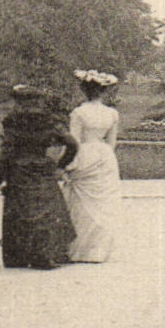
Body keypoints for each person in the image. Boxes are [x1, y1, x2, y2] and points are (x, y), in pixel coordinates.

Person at [0, 85, 79, 270]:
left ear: (18, 102)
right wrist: (60, 166)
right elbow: (72, 144)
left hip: (19, 171)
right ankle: (43, 255)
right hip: (42, 170)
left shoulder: (12, 122)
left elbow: (6, 152)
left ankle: (17, 257)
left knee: (19, 211)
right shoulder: (48, 121)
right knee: (46, 212)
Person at [62, 69, 123, 262]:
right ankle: (98, 251)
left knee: (82, 203)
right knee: (102, 204)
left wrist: (68, 165)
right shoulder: (112, 113)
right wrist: (105, 157)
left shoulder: (79, 113)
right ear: (103, 91)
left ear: (84, 90)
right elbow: (112, 143)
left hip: (84, 153)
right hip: (104, 156)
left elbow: (73, 142)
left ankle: (81, 250)